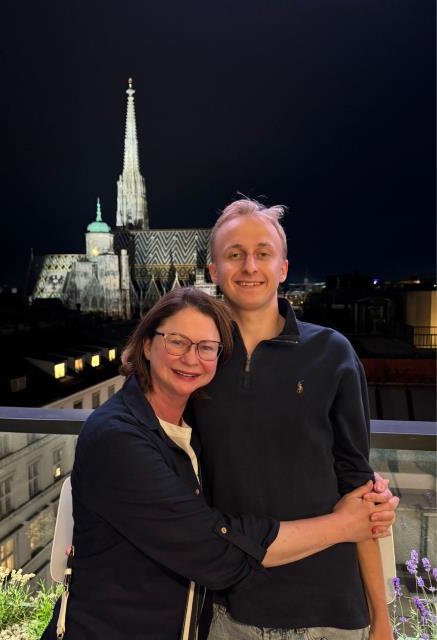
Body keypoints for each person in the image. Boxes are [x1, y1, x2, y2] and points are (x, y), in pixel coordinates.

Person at [41, 288, 395, 640]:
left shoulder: (188, 429)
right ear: (147, 345)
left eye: (206, 347)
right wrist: (345, 524)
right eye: (177, 342)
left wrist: (361, 491)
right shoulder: (116, 436)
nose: (191, 359)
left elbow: (277, 456)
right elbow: (213, 550)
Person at [191, 199, 398, 640]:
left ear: (283, 268)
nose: (250, 266)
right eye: (234, 254)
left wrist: (381, 620)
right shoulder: (195, 362)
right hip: (229, 611)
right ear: (213, 271)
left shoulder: (332, 353)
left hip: (330, 610)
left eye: (263, 253)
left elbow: (359, 489)